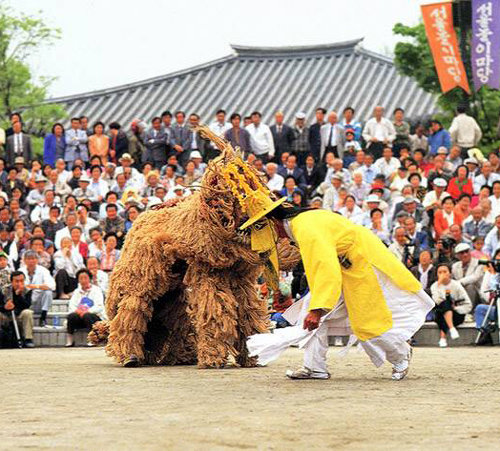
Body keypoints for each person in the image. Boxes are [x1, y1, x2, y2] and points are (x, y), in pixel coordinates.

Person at [245, 201, 434, 381]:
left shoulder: (305, 228)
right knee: (308, 314)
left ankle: (401, 355)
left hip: (361, 265)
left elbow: (324, 267)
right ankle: (315, 367)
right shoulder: (302, 222)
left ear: (273, 223)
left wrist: (318, 309)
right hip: (346, 267)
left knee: (367, 322)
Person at [431, 263, 472, 347]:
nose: (443, 274)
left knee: (446, 310)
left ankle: (443, 338)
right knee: (444, 305)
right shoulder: (434, 286)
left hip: (456, 314)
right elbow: (437, 301)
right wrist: (439, 284)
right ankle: (452, 328)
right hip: (441, 312)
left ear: (450, 273)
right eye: (440, 272)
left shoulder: (456, 285)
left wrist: (455, 308)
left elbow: (468, 304)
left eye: (445, 271)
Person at [65, 268, 105, 347]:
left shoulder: (96, 290)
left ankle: (92, 339)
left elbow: (99, 306)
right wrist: (77, 311)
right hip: (80, 316)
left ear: (89, 278)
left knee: (87, 316)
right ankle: (70, 339)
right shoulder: (77, 291)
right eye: (81, 278)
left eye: (85, 278)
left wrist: (87, 311)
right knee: (71, 316)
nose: (83, 280)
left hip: (93, 317)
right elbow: (72, 305)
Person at [20, 251, 55, 327]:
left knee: (48, 292)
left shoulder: (43, 270)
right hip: (25, 301)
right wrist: (36, 286)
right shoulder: (20, 271)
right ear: (24, 260)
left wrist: (35, 286)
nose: (31, 261)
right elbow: (19, 286)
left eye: (33, 259)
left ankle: (43, 317)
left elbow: (51, 285)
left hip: (39, 302)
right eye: (28, 259)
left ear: (37, 260)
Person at [0, 271, 34, 347]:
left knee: (28, 312)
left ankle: (28, 339)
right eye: (16, 281)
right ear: (12, 282)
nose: (19, 283)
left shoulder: (27, 290)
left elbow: (27, 305)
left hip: (19, 316)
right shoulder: (3, 290)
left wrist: (18, 296)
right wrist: (4, 307)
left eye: (21, 281)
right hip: (5, 316)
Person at [476, 249, 500, 345]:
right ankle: (485, 335)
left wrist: (494, 275)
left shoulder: (493, 274)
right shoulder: (490, 272)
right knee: (480, 308)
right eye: (498, 257)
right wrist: (490, 299)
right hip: (495, 306)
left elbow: (496, 287)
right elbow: (483, 290)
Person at [452, 243, 484, 308]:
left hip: (477, 293)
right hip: (460, 291)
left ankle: (469, 310)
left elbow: (475, 277)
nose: (465, 254)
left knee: (470, 286)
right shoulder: (455, 266)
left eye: (467, 251)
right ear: (457, 255)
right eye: (462, 253)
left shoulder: (479, 263)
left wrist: (458, 283)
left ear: (470, 252)